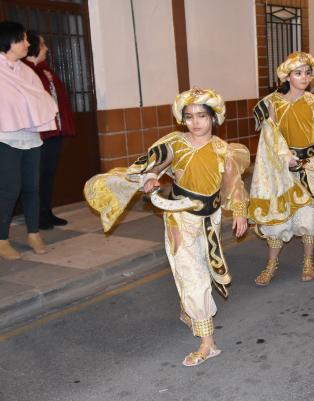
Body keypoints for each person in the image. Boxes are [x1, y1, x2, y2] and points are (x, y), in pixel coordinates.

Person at [85, 88, 250, 366]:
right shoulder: (174, 142)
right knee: (191, 274)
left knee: (202, 270)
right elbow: (156, 165)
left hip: (210, 220)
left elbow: (234, 185)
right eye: (189, 116)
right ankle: (208, 342)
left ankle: (191, 310)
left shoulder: (224, 150)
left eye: (201, 116)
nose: (195, 122)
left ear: (213, 118)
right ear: (182, 119)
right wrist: (150, 177)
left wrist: (241, 212)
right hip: (180, 218)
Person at [249, 52, 314, 286]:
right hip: (281, 168)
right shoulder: (272, 104)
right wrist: (286, 157)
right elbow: (269, 136)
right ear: (287, 76)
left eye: (307, 72)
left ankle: (308, 259)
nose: (304, 77)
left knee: (310, 214)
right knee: (278, 218)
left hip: (310, 165)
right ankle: (271, 264)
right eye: (298, 73)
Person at [0, 21, 57, 260]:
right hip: (5, 137)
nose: (27, 43)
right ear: (8, 41)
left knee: (33, 187)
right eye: (22, 39)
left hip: (31, 136)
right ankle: (2, 239)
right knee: (9, 189)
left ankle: (34, 233)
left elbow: (41, 99)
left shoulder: (26, 70)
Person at [22, 31, 76, 230]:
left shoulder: (45, 70)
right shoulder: (26, 71)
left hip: (53, 131)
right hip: (37, 133)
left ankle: (46, 211)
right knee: (35, 175)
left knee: (48, 173)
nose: (47, 48)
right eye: (43, 44)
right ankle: (36, 215)